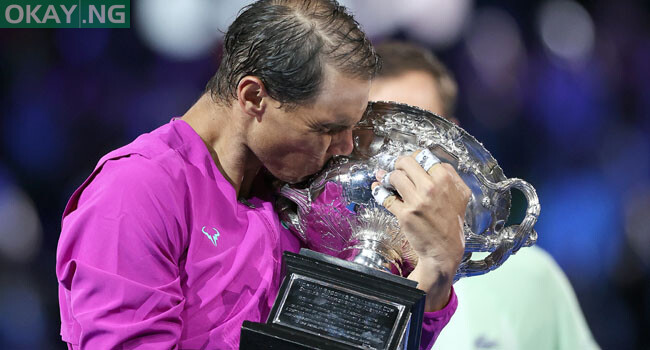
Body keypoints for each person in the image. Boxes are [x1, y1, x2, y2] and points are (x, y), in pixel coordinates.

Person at [56, 2, 471, 349]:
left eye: (352, 127)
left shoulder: (305, 193)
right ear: (254, 97)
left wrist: (435, 272)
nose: (345, 148)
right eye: (326, 129)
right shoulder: (136, 191)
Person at [370, 41, 600, 350]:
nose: (402, 159)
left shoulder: (528, 277)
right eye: (381, 134)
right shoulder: (324, 272)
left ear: (456, 142)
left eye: (421, 133)